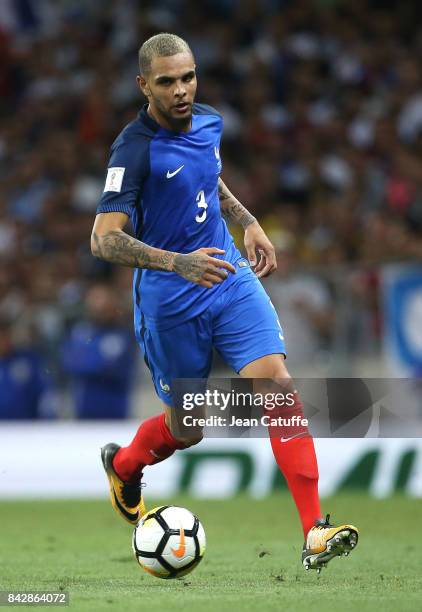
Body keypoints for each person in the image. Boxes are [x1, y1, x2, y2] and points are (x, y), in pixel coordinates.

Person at [91, 33, 358, 572]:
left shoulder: (210, 120)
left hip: (229, 276)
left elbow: (208, 179)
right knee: (189, 428)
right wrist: (177, 262)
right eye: (167, 82)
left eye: (188, 77)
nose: (181, 90)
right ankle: (124, 465)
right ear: (145, 86)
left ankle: (314, 531)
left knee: (276, 385)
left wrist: (247, 221)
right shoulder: (133, 148)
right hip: (170, 299)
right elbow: (103, 239)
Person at [61, 283, 136, 419]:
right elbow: (68, 361)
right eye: (95, 301)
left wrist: (86, 361)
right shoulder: (79, 331)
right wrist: (97, 362)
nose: (99, 307)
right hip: (84, 411)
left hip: (115, 412)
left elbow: (116, 368)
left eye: (104, 302)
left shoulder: (124, 334)